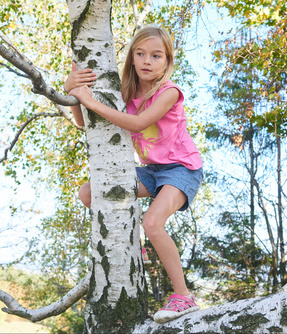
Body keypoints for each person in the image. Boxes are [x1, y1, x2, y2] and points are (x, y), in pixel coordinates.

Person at [64, 26, 203, 323]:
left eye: (156, 56)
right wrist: (74, 93)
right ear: (131, 58)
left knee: (152, 222)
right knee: (89, 192)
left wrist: (91, 101)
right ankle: (132, 245)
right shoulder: (125, 92)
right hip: (151, 171)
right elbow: (84, 123)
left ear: (167, 61)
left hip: (182, 169)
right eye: (140, 54)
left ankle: (184, 296)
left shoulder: (169, 92)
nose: (147, 61)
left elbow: (138, 124)